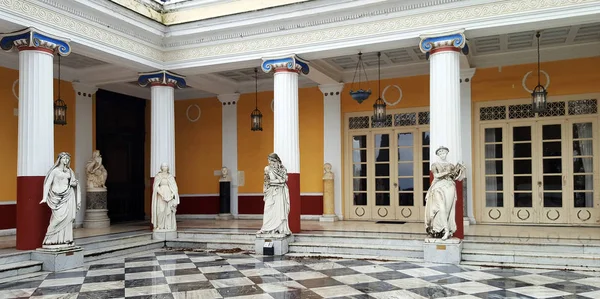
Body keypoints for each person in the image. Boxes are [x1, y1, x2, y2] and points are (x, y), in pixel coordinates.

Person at [40, 152, 81, 249]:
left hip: (68, 196)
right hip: (57, 198)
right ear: (59, 159)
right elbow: (47, 184)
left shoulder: (70, 171)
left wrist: (75, 184)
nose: (66, 160)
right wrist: (44, 197)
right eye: (64, 158)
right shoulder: (54, 171)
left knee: (68, 219)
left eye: (67, 159)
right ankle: (49, 238)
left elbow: (73, 183)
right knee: (56, 219)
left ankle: (66, 239)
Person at [424, 146, 466, 240]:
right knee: (441, 208)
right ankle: (444, 230)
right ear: (438, 155)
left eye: (443, 153)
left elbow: (456, 178)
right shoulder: (435, 165)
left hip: (450, 186)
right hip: (438, 187)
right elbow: (436, 175)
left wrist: (461, 170)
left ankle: (442, 230)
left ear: (446, 153)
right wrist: (447, 173)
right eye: (440, 153)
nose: (442, 155)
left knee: (448, 209)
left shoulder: (451, 165)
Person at [257, 153, 291, 235]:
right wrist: (265, 191)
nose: (269, 162)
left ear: (275, 160)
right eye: (269, 160)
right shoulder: (267, 169)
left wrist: (275, 182)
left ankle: (280, 229)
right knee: (268, 210)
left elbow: (284, 180)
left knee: (279, 210)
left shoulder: (282, 169)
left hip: (279, 192)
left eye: (271, 160)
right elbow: (266, 181)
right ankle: (266, 228)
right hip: (270, 191)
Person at [151, 163, 180, 231]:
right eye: (164, 166)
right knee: (160, 210)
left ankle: (168, 226)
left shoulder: (170, 176)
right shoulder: (158, 176)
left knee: (168, 210)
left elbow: (174, 187)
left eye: (166, 166)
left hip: (168, 193)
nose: (165, 167)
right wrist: (161, 193)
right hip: (161, 195)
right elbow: (155, 186)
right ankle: (160, 226)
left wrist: (173, 194)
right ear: (161, 167)